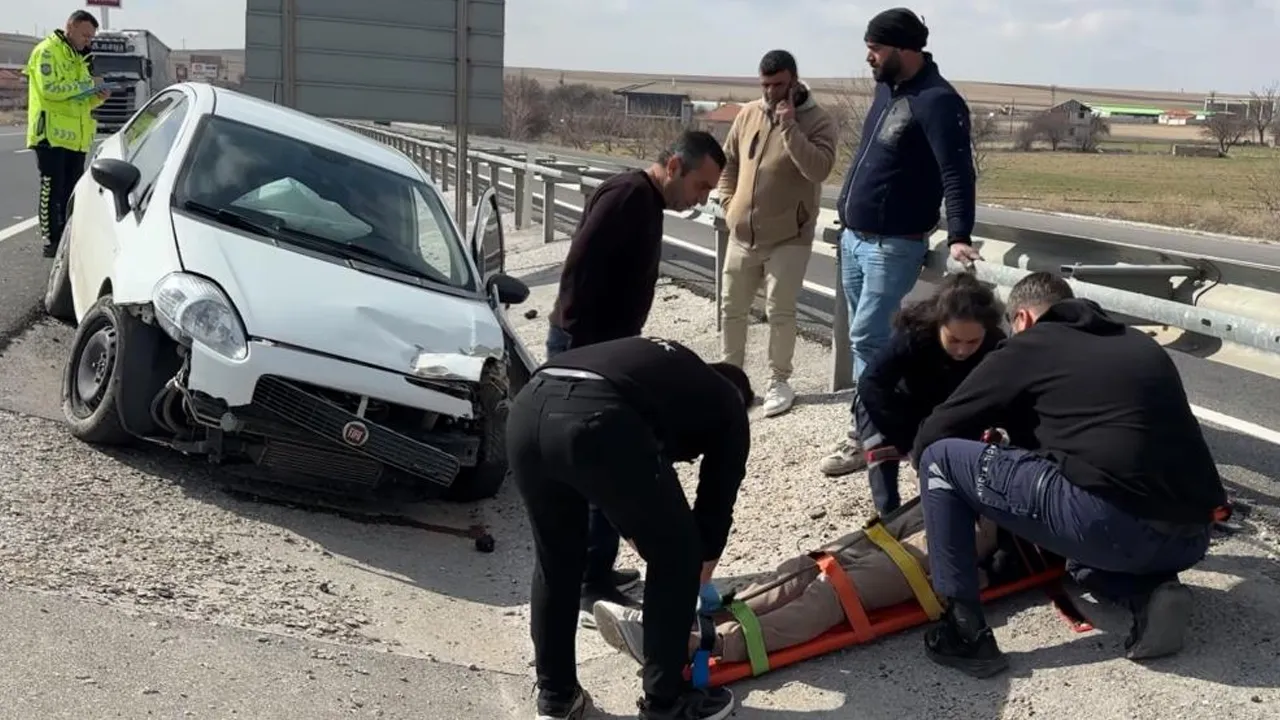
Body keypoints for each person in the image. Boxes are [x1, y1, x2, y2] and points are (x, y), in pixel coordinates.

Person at [911, 272, 1229, 678]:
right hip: (1191, 536)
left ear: (1022, 318)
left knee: (941, 458)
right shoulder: (1135, 342)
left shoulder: (1031, 345)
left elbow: (937, 431)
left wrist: (943, 496)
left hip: (1109, 526)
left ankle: (964, 631)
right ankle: (1147, 593)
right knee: (1080, 550)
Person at [507, 336, 754, 720]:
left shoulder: (659, 374)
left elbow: (616, 481)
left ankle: (556, 699)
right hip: (598, 420)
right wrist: (693, 578)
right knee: (678, 554)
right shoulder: (730, 407)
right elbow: (714, 510)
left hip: (528, 410)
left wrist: (645, 533)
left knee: (557, 561)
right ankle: (666, 703)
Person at [546, 131, 727, 626]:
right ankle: (588, 583)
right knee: (600, 470)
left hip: (607, 354)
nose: (700, 200)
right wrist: (586, 352)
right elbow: (579, 270)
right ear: (674, 165)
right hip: (586, 353)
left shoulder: (646, 204)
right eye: (700, 186)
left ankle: (599, 570)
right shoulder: (627, 197)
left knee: (607, 466)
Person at [819, 7, 982, 476]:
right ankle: (881, 425)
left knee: (869, 336)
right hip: (855, 238)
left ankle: (868, 435)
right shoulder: (888, 90)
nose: (869, 57)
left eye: (876, 49)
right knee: (868, 340)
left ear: (904, 50)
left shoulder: (937, 101)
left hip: (893, 244)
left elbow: (957, 172)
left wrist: (959, 235)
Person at [592, 498, 1020, 666]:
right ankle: (677, 623)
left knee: (834, 591)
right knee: (810, 565)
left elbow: (1007, 563)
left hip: (960, 549)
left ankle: (697, 645)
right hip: (941, 510)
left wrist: (975, 581)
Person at [715, 49, 838, 418]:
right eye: (765, 85)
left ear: (795, 81)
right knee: (731, 309)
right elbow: (730, 161)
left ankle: (779, 380)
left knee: (779, 312)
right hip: (742, 233)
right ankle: (730, 379)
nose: (770, 93)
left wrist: (789, 127)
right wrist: (727, 202)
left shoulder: (818, 121)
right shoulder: (748, 113)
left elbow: (819, 170)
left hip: (789, 235)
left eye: (778, 85)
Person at [855, 272, 1005, 514]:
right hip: (895, 403)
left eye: (972, 342)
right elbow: (871, 384)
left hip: (945, 406)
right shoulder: (914, 333)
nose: (962, 350)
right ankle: (889, 516)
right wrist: (908, 442)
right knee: (882, 453)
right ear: (939, 324)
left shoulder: (995, 343)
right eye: (954, 339)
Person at [23, 10, 110, 257]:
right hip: (50, 134)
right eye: (84, 35)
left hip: (76, 139)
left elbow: (80, 102)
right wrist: (87, 85)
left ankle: (67, 240)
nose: (87, 41)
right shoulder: (47, 52)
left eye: (90, 37)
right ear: (69, 27)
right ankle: (52, 241)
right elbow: (50, 90)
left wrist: (98, 97)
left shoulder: (80, 59)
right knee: (52, 189)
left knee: (71, 192)